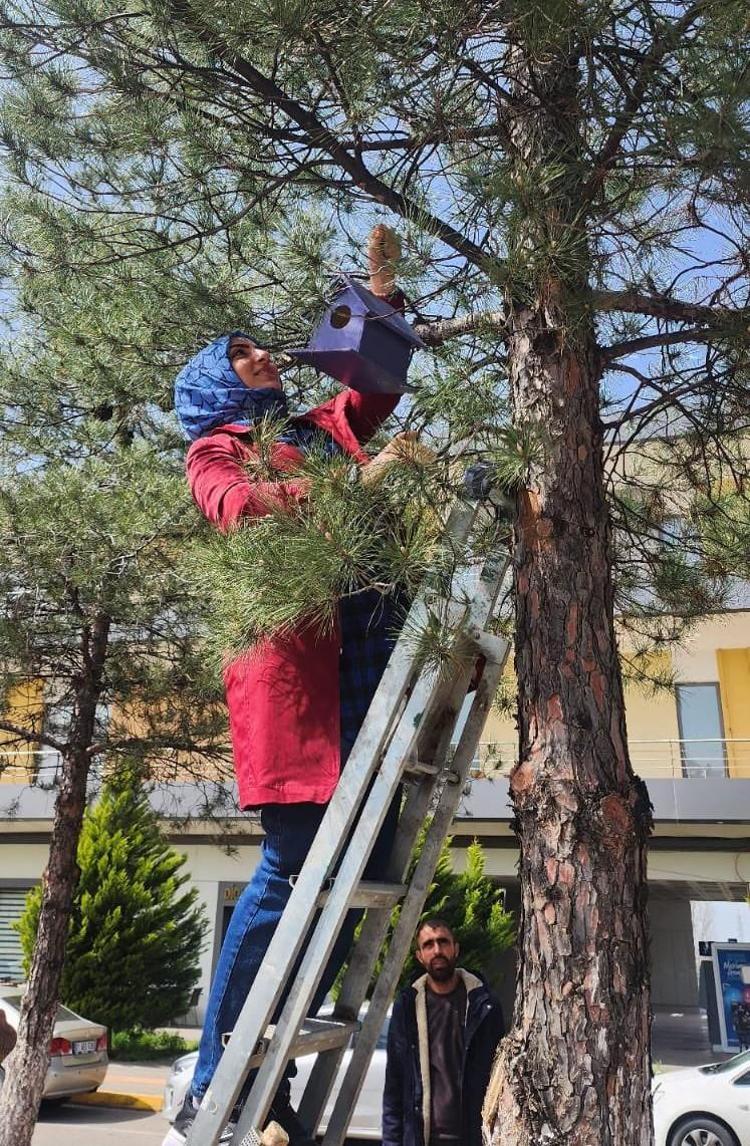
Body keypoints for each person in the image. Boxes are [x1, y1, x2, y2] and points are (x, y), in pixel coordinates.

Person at [165, 227, 414, 1146]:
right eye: (240, 353)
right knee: (289, 865)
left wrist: (378, 290)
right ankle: (209, 1074)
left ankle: (273, 1064)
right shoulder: (216, 453)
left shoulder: (311, 430)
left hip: (366, 662)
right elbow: (240, 515)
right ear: (217, 384)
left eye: (259, 344)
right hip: (299, 689)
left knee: (368, 864)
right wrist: (345, 496)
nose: (262, 352)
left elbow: (375, 388)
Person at [382, 919, 505, 1146]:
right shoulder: (407, 1007)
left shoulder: (484, 1006)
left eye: (443, 942)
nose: (437, 950)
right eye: (428, 945)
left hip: (474, 1138)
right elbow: (394, 1087)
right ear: (420, 956)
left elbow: (501, 1077)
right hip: (423, 1139)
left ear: (455, 948)